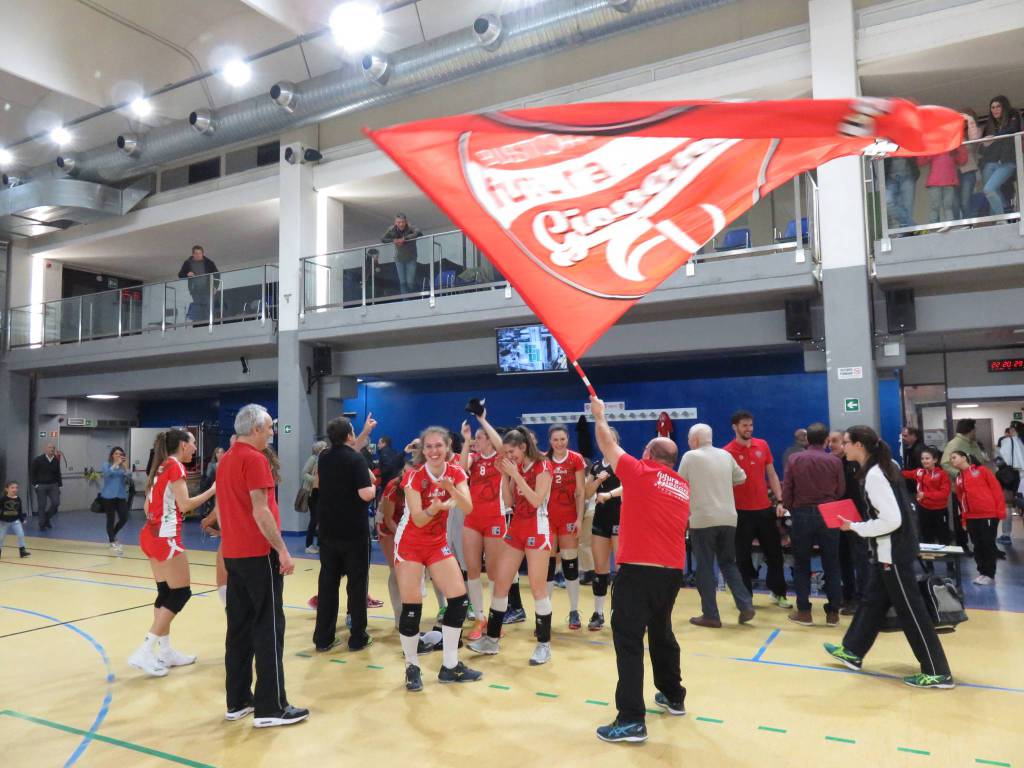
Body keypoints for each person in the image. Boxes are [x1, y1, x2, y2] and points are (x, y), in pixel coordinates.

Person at [588, 396, 689, 744]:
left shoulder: (640, 471)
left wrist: (599, 416)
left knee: (629, 641)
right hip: (671, 572)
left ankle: (631, 719)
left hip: (639, 572)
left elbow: (607, 443)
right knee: (661, 633)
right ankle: (674, 695)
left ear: (648, 454)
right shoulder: (681, 485)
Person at [824, 425, 954, 690]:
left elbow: (891, 520)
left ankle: (937, 671)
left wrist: (856, 527)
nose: (841, 447)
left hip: (893, 553)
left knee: (912, 612)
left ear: (859, 445)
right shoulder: (884, 466)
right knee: (873, 601)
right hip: (889, 551)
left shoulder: (875, 474)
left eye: (846, 442)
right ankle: (853, 650)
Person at [218, 404, 308, 728]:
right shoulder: (255, 460)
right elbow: (261, 511)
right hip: (258, 556)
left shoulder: (227, 458)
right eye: (269, 427)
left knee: (238, 629)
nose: (272, 432)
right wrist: (283, 550)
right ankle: (271, 707)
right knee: (269, 629)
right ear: (256, 429)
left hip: (234, 556)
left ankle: (238, 700)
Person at [394, 426, 482, 691]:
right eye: (428, 446)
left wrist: (450, 489)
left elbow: (468, 507)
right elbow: (419, 519)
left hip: (436, 544)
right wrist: (436, 506)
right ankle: (412, 667)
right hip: (410, 542)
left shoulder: (455, 473)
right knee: (412, 607)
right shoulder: (412, 478)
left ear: (447, 448)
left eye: (438, 446)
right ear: (423, 450)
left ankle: (450, 665)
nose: (433, 451)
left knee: (458, 599)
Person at [128, 429, 216, 678]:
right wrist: (214, 490)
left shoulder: (161, 466)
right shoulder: (175, 466)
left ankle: (165, 652)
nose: (195, 448)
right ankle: (145, 649)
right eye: (193, 443)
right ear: (182, 445)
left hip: (150, 534)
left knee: (165, 593)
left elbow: (147, 505)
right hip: (166, 538)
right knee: (181, 593)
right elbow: (186, 505)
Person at [468, 425, 555, 665]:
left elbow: (537, 500)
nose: (508, 457)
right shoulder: (515, 468)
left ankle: (543, 645)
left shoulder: (543, 465)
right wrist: (505, 476)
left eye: (511, 452)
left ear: (523, 447)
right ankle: (491, 640)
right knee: (500, 584)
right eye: (505, 453)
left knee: (538, 589)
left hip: (537, 529)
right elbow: (508, 502)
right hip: (516, 528)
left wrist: (515, 475)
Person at [678, 423, 753, 628]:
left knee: (704, 566)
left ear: (694, 440)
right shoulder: (726, 455)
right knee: (728, 563)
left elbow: (680, 484)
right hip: (728, 518)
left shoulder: (690, 457)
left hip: (703, 520)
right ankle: (745, 604)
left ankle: (711, 615)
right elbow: (741, 477)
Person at [314, 417, 377, 653]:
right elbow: (365, 494)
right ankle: (358, 637)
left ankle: (323, 638)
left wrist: (364, 431)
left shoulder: (324, 457)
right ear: (349, 436)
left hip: (329, 531)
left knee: (328, 584)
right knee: (357, 585)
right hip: (353, 532)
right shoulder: (356, 459)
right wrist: (373, 486)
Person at [725, 410, 790, 609]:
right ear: (735, 427)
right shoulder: (727, 452)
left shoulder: (762, 445)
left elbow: (771, 473)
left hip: (764, 510)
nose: (749, 429)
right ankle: (746, 598)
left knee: (775, 554)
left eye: (751, 425)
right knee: (742, 557)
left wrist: (780, 500)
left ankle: (778, 593)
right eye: (745, 425)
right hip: (740, 513)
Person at [782, 422, 845, 627]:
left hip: (802, 513)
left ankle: (804, 611)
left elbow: (787, 488)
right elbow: (841, 490)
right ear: (826, 440)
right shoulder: (834, 461)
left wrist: (792, 506)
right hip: (828, 512)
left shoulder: (795, 459)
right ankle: (833, 612)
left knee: (801, 564)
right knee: (832, 563)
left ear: (807, 439)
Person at [459, 411, 507, 641]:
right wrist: (466, 440)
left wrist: (482, 421)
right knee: (473, 569)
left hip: (495, 519)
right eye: (475, 438)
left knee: (496, 572)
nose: (476, 441)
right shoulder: (474, 458)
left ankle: (494, 617)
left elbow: (501, 445)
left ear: (488, 438)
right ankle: (479, 617)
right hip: (472, 519)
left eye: (480, 437)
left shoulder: (499, 459)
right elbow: (459, 469)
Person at [544, 424, 587, 629]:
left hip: (569, 517)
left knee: (570, 564)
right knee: (548, 567)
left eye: (562, 439)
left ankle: (573, 611)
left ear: (567, 439)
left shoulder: (576, 459)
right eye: (555, 440)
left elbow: (580, 491)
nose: (559, 443)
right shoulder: (544, 460)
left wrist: (579, 519)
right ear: (550, 441)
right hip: (548, 519)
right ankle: (546, 612)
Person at [584, 426, 623, 631]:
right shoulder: (597, 466)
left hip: (620, 519)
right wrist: (599, 479)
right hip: (600, 521)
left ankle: (620, 612)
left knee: (621, 570)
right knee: (600, 569)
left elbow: (629, 486)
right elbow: (587, 493)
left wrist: (609, 494)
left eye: (610, 439)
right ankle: (598, 613)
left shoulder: (623, 462)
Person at [828, 431, 871, 614]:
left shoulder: (855, 465)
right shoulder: (830, 463)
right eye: (829, 441)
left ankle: (863, 598)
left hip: (857, 518)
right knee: (842, 558)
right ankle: (848, 596)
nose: (832, 444)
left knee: (860, 559)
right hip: (838, 517)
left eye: (837, 441)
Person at [950, 450, 1005, 585]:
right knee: (977, 545)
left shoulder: (982, 471)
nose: (952, 461)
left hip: (988, 515)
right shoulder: (958, 478)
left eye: (954, 457)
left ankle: (990, 574)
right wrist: (964, 519)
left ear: (964, 458)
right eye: (951, 459)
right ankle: (982, 573)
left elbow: (996, 489)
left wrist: (1000, 511)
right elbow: (961, 500)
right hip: (970, 517)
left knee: (987, 544)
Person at [941, 418, 988, 551]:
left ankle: (980, 544)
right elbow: (945, 463)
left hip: (975, 487)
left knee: (976, 515)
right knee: (961, 516)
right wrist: (960, 475)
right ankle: (962, 545)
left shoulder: (972, 443)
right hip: (961, 489)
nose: (976, 432)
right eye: (975, 429)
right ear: (970, 430)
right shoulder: (955, 444)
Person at [979, 96, 1022, 216]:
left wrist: (995, 137)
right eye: (992, 107)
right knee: (992, 192)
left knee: (989, 189)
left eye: (998, 106)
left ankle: (1002, 219)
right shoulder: (990, 124)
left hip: (1008, 161)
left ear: (1004, 107)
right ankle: (1005, 212)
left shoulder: (1013, 113)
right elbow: (982, 149)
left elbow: (1013, 129)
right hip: (992, 162)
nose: (995, 110)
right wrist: (985, 143)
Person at [902, 447, 951, 545]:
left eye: (927, 458)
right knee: (926, 536)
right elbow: (904, 474)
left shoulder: (942, 474)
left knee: (943, 536)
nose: (924, 461)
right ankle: (928, 560)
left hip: (940, 510)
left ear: (935, 460)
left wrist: (925, 494)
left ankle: (949, 560)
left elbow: (944, 494)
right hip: (924, 509)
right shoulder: (920, 472)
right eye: (922, 459)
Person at [917, 144, 967, 225]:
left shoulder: (952, 146)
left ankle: (949, 225)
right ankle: (935, 227)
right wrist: (925, 148)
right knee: (936, 207)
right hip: (936, 183)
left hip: (947, 182)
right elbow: (920, 162)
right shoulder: (934, 146)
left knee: (947, 207)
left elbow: (962, 161)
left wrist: (959, 145)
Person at [99, 446, 131, 555]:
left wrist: (126, 468)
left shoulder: (123, 467)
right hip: (108, 496)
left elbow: (129, 478)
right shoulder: (106, 465)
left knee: (124, 517)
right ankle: (112, 540)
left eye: (121, 454)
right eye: (116, 453)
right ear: (112, 455)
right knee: (110, 519)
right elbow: (107, 474)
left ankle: (112, 533)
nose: (119, 456)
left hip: (121, 496)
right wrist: (116, 464)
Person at [381, 213, 423, 295]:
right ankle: (405, 300)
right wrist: (394, 240)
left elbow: (419, 233)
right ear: (395, 222)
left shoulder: (411, 227)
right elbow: (382, 239)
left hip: (411, 258)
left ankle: (412, 297)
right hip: (399, 260)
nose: (401, 224)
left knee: (410, 282)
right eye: (398, 222)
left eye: (402, 222)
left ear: (406, 221)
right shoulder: (392, 229)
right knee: (402, 282)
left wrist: (405, 239)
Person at [178, 245, 220, 324]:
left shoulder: (209, 263)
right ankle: (199, 324)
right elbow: (180, 275)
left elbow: (217, 274)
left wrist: (215, 287)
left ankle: (211, 324)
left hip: (207, 289)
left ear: (203, 253)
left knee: (209, 307)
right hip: (195, 290)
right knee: (198, 307)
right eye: (196, 253)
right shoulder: (187, 263)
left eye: (200, 253)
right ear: (193, 254)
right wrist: (187, 274)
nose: (198, 255)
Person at [996, 424, 1023, 545]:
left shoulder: (1008, 441)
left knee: (1007, 505)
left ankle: (1006, 535)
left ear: (1012, 430)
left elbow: (1001, 460)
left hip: (1010, 476)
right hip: (1022, 477)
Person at [302, 441, 327, 555]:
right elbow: (304, 473)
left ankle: (320, 544)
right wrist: (315, 480)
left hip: (322, 493)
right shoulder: (313, 459)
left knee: (321, 519)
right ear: (319, 449)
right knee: (314, 519)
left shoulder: (325, 460)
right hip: (313, 493)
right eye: (324, 447)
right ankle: (308, 545)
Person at [956, 109, 982, 219]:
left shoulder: (977, 131)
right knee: (956, 202)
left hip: (968, 171)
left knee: (965, 200)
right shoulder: (956, 133)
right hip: (955, 172)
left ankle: (969, 224)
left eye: (965, 120)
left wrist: (970, 120)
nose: (964, 121)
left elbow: (975, 140)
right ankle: (965, 223)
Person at [31, 443, 61, 531]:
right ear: (45, 449)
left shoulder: (56, 460)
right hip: (41, 485)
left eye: (53, 448)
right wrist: (35, 484)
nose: (52, 449)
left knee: (56, 503)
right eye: (50, 447)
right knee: (42, 505)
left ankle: (46, 518)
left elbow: (58, 473)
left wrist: (59, 485)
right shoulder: (38, 460)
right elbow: (32, 472)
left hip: (53, 485)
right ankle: (42, 524)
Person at [883, 156, 918, 230]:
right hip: (890, 177)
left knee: (908, 208)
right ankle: (911, 225)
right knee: (889, 202)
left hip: (908, 175)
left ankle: (906, 230)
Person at [1, 481, 30, 558]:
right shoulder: (3, 499)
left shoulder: (18, 499)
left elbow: (19, 511)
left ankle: (22, 551)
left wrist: (22, 519)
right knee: (1, 537)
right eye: (12, 487)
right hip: (4, 522)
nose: (14, 489)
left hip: (15, 521)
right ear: (7, 489)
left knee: (21, 535)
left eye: (16, 487)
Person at [901, 426, 925, 498]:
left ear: (914, 436)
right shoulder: (909, 449)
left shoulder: (919, 450)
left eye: (905, 436)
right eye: (902, 435)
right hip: (912, 486)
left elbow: (921, 469)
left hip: (917, 488)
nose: (903, 438)